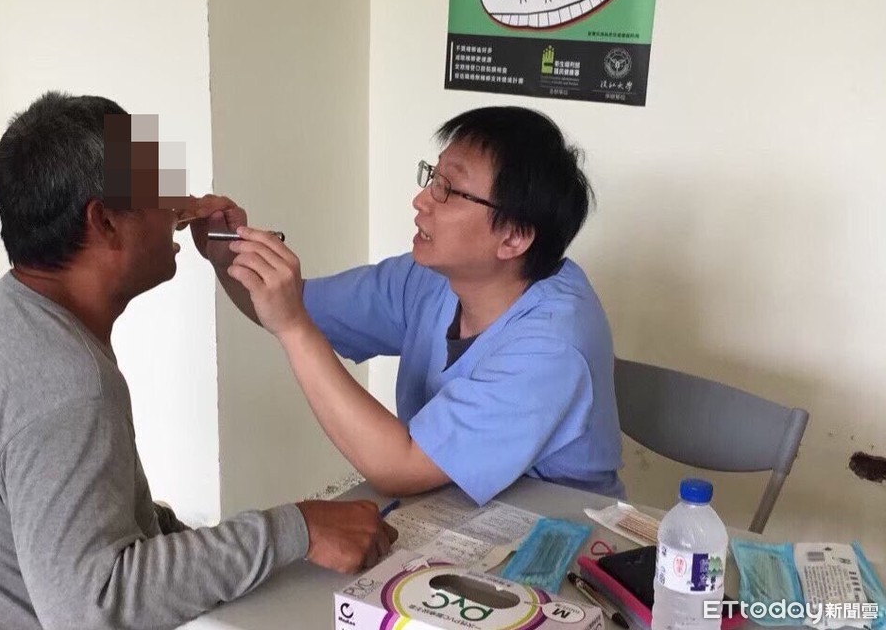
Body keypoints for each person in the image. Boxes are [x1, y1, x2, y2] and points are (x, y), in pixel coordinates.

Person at [0, 91, 395, 630]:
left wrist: (251, 548)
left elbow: (105, 524)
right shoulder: (62, 380)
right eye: (159, 186)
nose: (180, 206)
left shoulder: (6, 319)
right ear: (104, 222)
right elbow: (93, 604)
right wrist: (297, 529)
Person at [198, 106, 624, 507]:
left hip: (556, 537)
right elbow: (290, 305)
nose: (422, 200)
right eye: (432, 177)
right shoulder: (429, 279)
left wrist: (293, 328)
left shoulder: (551, 345)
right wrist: (227, 259)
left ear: (513, 237)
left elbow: (399, 467)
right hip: (445, 512)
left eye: (448, 189)